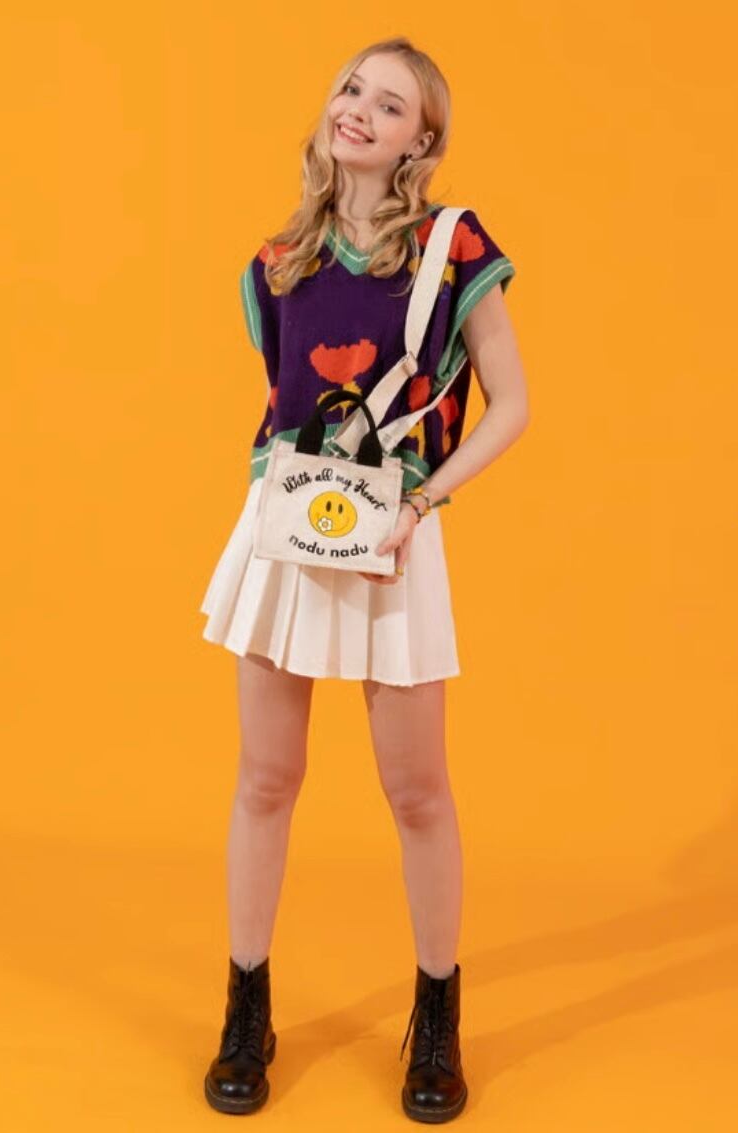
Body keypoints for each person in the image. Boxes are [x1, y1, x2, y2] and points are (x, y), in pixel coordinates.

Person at [199, 35, 529, 1123]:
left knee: (417, 790)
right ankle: (247, 1007)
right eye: (351, 89)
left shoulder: (451, 246)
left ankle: (436, 1018)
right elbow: (284, 409)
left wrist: (424, 504)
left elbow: (512, 405)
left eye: (389, 105)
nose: (358, 111)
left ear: (419, 141)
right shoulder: (275, 263)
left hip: (394, 533)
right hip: (284, 530)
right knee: (265, 779)